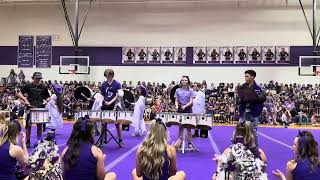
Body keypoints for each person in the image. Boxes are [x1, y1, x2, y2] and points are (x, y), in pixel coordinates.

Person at [16, 72, 50, 148]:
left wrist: (47, 100)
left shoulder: (43, 87)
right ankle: (28, 141)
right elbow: (19, 93)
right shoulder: (28, 86)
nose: (38, 80)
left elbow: (48, 97)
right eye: (36, 78)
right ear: (33, 78)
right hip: (30, 107)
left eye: (39, 78)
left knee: (39, 125)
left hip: (40, 107)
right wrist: (25, 100)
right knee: (28, 125)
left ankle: (38, 140)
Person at [237, 70, 266, 147]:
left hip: (254, 113)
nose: (245, 78)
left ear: (252, 77)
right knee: (240, 130)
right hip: (243, 112)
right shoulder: (242, 87)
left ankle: (255, 149)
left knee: (253, 131)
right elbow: (239, 99)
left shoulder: (259, 88)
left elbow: (263, 98)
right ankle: (239, 148)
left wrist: (252, 98)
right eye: (245, 76)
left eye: (247, 76)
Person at [101, 69, 124, 147]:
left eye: (108, 75)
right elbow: (103, 95)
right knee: (103, 123)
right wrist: (105, 101)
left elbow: (118, 95)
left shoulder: (117, 84)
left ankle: (120, 140)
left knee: (117, 123)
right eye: (106, 75)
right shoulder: (103, 84)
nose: (107, 77)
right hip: (105, 105)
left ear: (112, 75)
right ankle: (102, 140)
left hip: (115, 105)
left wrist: (110, 102)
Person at [174, 76, 196, 150]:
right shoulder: (177, 90)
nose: (183, 81)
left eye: (185, 80)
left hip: (188, 110)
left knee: (188, 128)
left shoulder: (190, 90)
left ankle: (190, 144)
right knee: (180, 128)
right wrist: (177, 106)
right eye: (182, 80)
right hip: (180, 110)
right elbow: (176, 100)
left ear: (188, 82)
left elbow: (191, 101)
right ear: (181, 81)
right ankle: (179, 144)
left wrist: (185, 106)